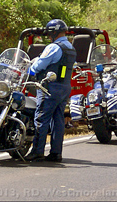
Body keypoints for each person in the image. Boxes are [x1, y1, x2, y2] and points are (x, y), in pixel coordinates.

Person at [25, 19, 77, 161]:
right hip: (64, 87)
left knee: (41, 117)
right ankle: (56, 153)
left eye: (49, 34)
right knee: (58, 119)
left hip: (50, 88)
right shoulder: (70, 48)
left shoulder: (54, 47)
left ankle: (37, 151)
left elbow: (39, 66)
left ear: (54, 33)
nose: (48, 37)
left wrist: (30, 69)